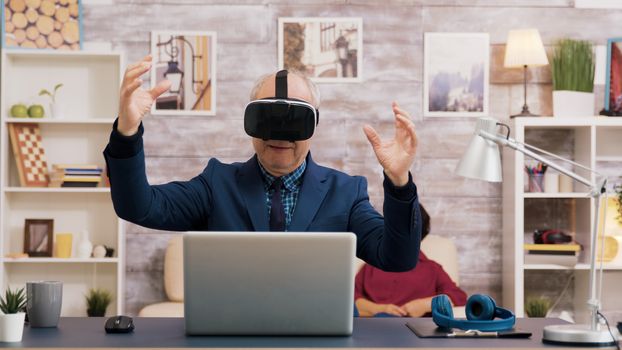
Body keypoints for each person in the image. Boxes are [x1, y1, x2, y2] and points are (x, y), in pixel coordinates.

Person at [102, 54, 422, 272]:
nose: (280, 134)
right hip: (234, 334)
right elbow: (138, 206)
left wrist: (399, 182)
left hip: (321, 338)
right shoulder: (217, 184)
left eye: (294, 118)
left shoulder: (346, 192)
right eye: (267, 116)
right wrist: (127, 133)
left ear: (313, 124)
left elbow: (399, 259)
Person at [354, 205, 467, 317]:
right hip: (375, 324)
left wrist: (424, 305)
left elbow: (458, 297)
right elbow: (350, 298)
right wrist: (380, 309)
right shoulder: (371, 265)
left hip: (413, 328)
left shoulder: (432, 269)